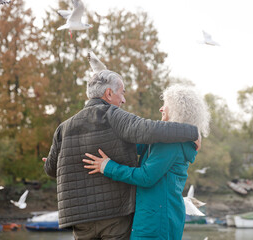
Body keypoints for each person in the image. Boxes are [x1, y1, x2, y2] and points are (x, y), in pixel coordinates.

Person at [43, 70, 200, 240]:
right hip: (115, 214)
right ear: (109, 93)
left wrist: (61, 160)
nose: (124, 100)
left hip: (80, 218)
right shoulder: (114, 116)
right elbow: (149, 130)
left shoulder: (63, 128)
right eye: (122, 93)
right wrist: (193, 131)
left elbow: (51, 170)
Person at [83, 85, 210, 239]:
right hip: (161, 215)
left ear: (178, 110)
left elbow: (146, 177)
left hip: (156, 220)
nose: (161, 109)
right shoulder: (169, 139)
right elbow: (130, 144)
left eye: (166, 105)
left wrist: (107, 167)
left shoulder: (171, 143)